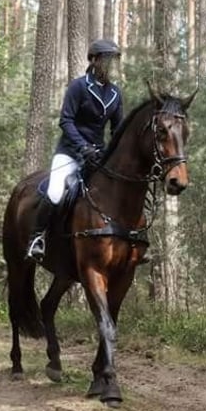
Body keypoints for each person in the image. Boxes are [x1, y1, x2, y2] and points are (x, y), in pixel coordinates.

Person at [26, 39, 124, 262]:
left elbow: (117, 130)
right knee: (55, 191)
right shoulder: (78, 86)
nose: (113, 65)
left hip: (98, 156)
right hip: (70, 152)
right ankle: (37, 238)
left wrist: (111, 154)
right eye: (109, 60)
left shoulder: (116, 94)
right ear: (96, 60)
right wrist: (83, 147)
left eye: (115, 61)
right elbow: (66, 121)